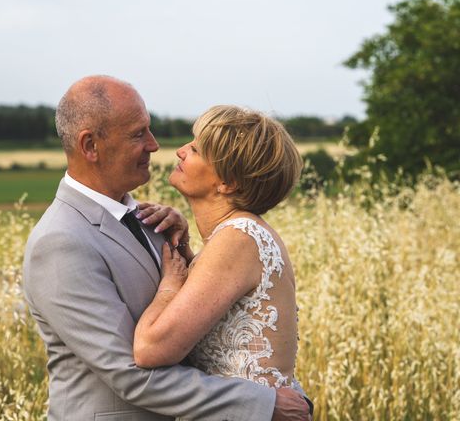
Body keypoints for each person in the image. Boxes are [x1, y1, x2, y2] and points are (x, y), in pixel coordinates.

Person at [22, 76, 311, 420]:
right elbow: (131, 372)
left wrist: (184, 254)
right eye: (138, 134)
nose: (156, 145)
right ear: (90, 146)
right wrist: (264, 404)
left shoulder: (154, 223)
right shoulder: (60, 241)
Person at [133, 106, 309, 401]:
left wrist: (170, 286)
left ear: (228, 182)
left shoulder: (238, 239)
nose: (180, 151)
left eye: (196, 149)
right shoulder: (237, 236)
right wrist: (184, 248)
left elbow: (150, 349)